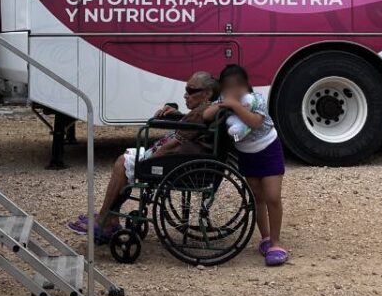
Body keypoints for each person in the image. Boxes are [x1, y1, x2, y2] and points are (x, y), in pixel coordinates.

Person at [68, 71, 220, 241]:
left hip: (177, 159)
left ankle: (105, 219)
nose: (186, 95)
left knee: (123, 161)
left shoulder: (202, 112)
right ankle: (109, 217)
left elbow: (176, 142)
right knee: (125, 160)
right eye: (186, 89)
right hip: (181, 157)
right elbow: (187, 123)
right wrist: (174, 112)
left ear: (208, 93)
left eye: (191, 91)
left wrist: (151, 158)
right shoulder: (205, 109)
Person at [205, 64, 288, 266]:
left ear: (245, 85)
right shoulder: (224, 100)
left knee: (272, 197)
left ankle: (277, 243)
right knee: (257, 198)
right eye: (227, 87)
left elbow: (254, 122)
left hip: (268, 149)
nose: (232, 91)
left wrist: (235, 106)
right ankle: (266, 238)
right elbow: (206, 115)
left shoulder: (256, 100)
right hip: (247, 155)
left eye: (236, 87)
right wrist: (221, 104)